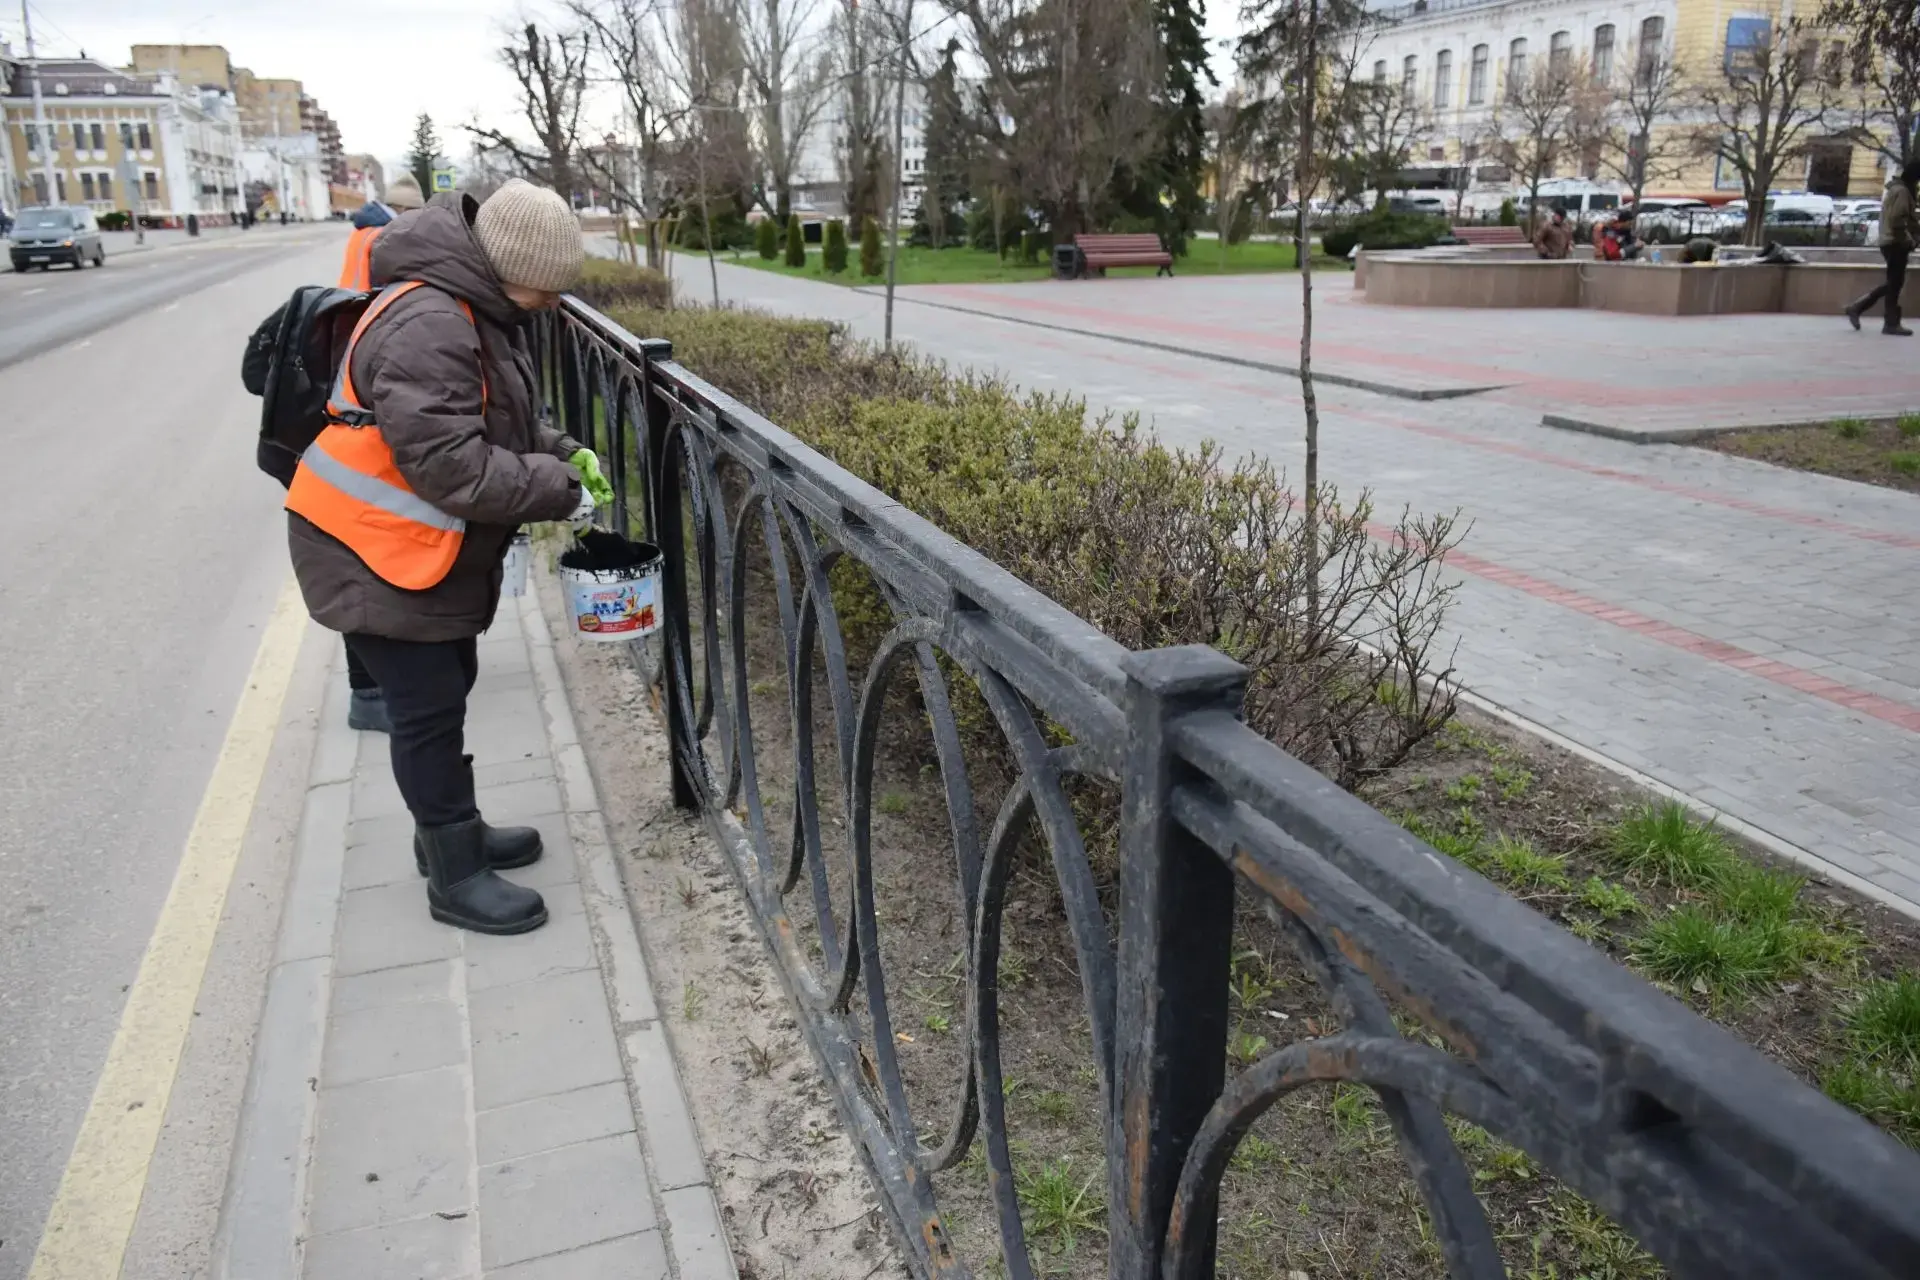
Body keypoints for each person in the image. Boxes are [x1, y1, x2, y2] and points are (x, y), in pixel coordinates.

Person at [285, 179, 614, 934]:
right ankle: (454, 873)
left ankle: (449, 834)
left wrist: (561, 451)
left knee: (446, 687)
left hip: (399, 545)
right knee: (426, 709)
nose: (554, 305)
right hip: (365, 549)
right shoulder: (430, 322)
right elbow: (451, 468)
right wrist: (557, 489)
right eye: (549, 288)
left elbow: (499, 417)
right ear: (511, 265)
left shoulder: (474, 305)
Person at [1846, 158, 1920, 336]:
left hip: (1891, 242)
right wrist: (1908, 240)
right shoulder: (1902, 192)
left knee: (1894, 283)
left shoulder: (1897, 189)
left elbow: (1906, 219)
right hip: (1895, 242)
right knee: (1894, 283)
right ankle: (1881, 318)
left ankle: (1866, 311)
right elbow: (1897, 220)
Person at [338, 174, 426, 292]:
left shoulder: (365, 229)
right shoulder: (387, 235)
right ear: (405, 209)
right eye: (417, 211)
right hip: (366, 303)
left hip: (348, 299)